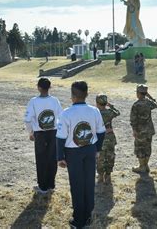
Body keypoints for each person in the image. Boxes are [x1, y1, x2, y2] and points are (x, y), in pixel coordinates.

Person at [56, 81, 106, 228]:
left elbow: (60, 138)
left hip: (73, 153)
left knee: (77, 185)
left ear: (72, 96)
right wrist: (97, 149)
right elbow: (101, 132)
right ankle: (89, 215)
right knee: (89, 182)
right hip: (90, 149)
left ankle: (79, 221)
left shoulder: (66, 113)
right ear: (87, 95)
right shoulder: (94, 111)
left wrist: (60, 157)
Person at [24, 78, 63, 194]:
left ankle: (43, 186)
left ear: (38, 87)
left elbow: (27, 119)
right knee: (52, 158)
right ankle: (51, 184)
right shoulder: (55, 100)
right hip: (54, 132)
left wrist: (31, 132)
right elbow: (61, 116)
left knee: (41, 159)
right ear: (50, 87)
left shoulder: (33, 101)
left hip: (40, 134)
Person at [130, 84, 157, 173]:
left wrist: (134, 130)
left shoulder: (136, 105)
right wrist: (149, 96)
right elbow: (156, 104)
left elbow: (133, 119)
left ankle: (142, 166)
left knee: (140, 148)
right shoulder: (149, 103)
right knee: (147, 147)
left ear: (138, 93)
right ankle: (146, 165)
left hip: (140, 131)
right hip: (149, 129)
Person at [96, 94, 120, 184]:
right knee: (110, 156)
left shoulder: (95, 113)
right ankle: (108, 175)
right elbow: (117, 112)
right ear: (105, 103)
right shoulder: (110, 112)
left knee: (99, 158)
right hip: (110, 138)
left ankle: (100, 176)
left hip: (99, 139)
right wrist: (111, 106)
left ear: (97, 103)